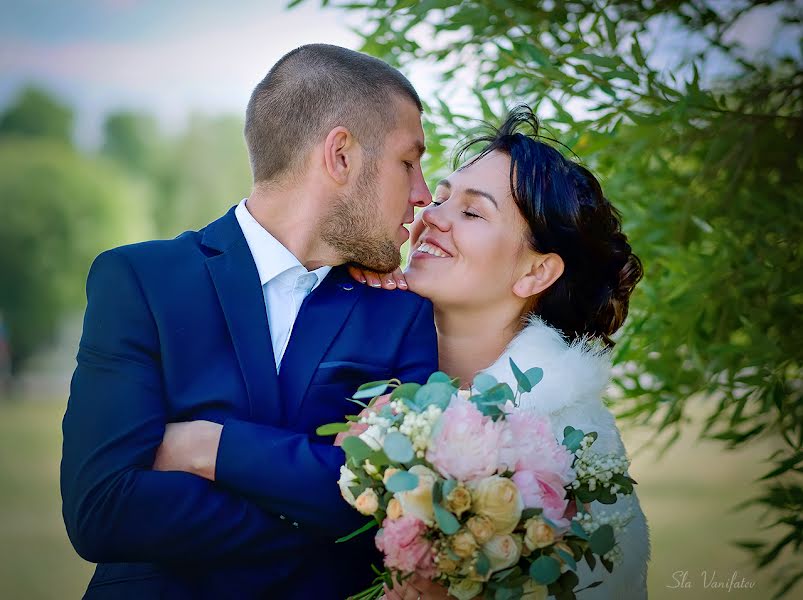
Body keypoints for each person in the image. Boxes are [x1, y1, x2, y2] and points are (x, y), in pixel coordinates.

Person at [60, 44, 438, 599]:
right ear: (340, 156)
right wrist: (319, 509)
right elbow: (104, 509)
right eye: (410, 162)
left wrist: (212, 450)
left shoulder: (401, 314)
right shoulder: (141, 281)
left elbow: (397, 507)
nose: (422, 196)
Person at [348, 105, 650, 599]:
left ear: (536, 273)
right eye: (441, 199)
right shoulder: (369, 368)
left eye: (471, 212)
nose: (431, 217)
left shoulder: (573, 444)